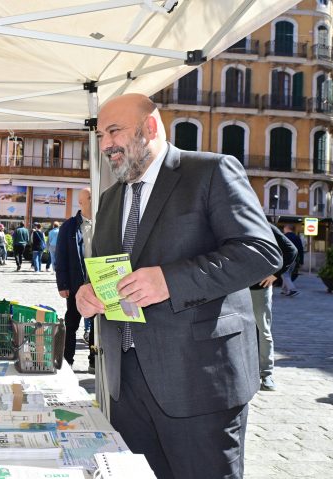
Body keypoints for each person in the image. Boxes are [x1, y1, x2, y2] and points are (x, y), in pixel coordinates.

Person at [76, 93, 281, 479]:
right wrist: (91, 292)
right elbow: (112, 272)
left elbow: (260, 252)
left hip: (199, 382)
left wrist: (171, 280)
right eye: (101, 135)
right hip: (127, 385)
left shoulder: (211, 172)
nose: (105, 145)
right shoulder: (109, 199)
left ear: (150, 127)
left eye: (113, 131)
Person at [250, 224, 297, 392]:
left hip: (258, 287)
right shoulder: (229, 221)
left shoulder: (262, 223)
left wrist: (275, 274)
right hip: (235, 287)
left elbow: (291, 250)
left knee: (263, 330)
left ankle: (266, 374)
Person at [56, 188, 95, 371]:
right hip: (75, 285)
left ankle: (94, 361)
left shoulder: (103, 222)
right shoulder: (69, 227)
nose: (94, 199)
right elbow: (60, 257)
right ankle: (67, 360)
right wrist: (62, 284)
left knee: (97, 326)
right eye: (90, 197)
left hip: (97, 285)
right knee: (71, 324)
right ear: (81, 202)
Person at [281, 224, 304, 296]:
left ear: (286, 228)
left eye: (284, 228)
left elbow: (281, 249)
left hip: (286, 259)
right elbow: (301, 250)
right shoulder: (297, 237)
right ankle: (285, 290)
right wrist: (301, 261)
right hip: (295, 260)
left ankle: (291, 289)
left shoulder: (284, 237)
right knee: (288, 274)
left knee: (284, 274)